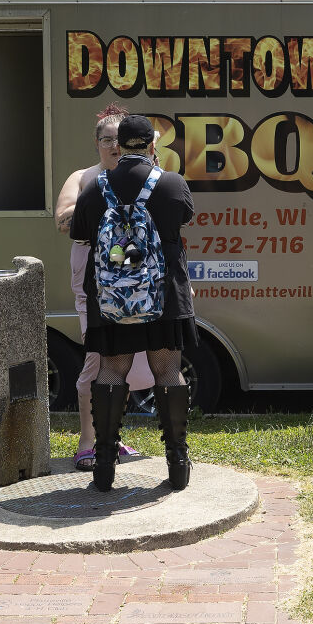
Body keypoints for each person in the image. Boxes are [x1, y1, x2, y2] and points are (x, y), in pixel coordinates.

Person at [69, 113, 199, 492]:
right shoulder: (171, 183)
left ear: (119, 145)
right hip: (162, 295)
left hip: (112, 298)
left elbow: (80, 233)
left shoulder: (95, 188)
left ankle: (104, 465)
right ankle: (177, 461)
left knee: (111, 370)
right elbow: (184, 216)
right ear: (152, 145)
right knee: (167, 370)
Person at [54, 104, 150, 471]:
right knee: (97, 359)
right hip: (93, 276)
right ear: (97, 143)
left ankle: (111, 436)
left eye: (119, 139)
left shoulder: (144, 176)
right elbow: (63, 220)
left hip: (132, 273)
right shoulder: (83, 178)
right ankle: (87, 442)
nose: (113, 145)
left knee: (125, 359)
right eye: (106, 139)